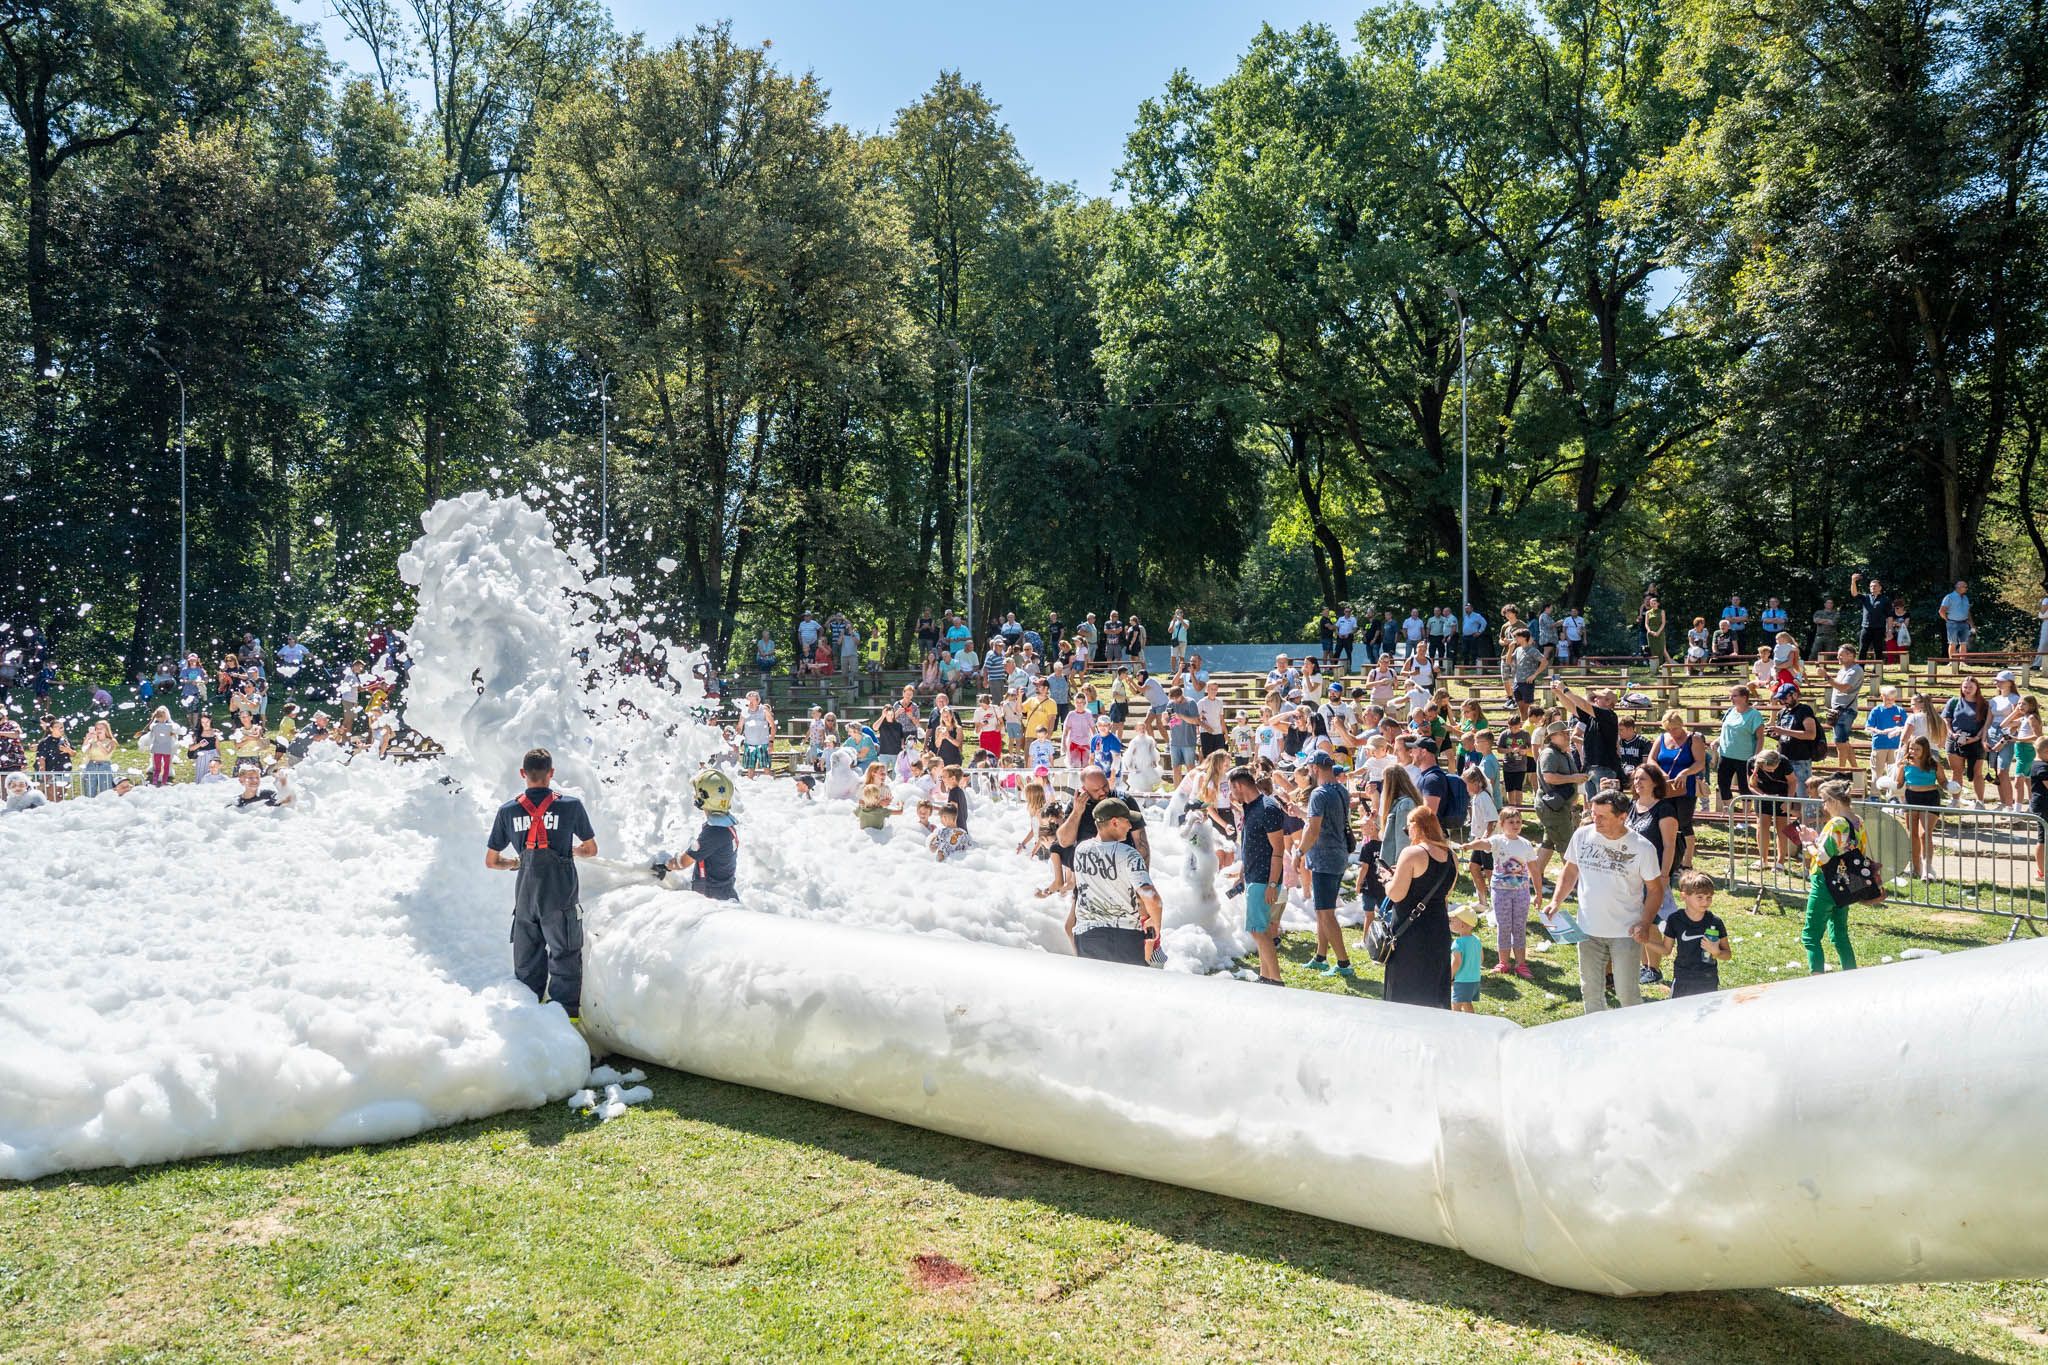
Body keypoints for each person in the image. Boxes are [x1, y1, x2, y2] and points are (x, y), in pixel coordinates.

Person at [485, 748, 598, 1026]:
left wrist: (517, 862)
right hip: (560, 896)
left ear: (523, 774)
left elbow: (492, 861)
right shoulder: (571, 806)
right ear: (552, 773)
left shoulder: (508, 810)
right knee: (565, 957)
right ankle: (566, 1026)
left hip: (526, 898)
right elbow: (590, 849)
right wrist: (571, 850)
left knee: (527, 964)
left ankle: (530, 1026)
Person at [1548, 791, 1663, 1013]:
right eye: (1593, 814)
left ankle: (1637, 1032)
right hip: (1587, 930)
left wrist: (1645, 923)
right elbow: (1570, 871)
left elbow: (1655, 890)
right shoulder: (1582, 835)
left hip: (1625, 932)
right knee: (1590, 992)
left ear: (1622, 817)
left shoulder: (1642, 847)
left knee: (1627, 994)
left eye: (1602, 816)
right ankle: (1596, 1033)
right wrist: (1556, 901)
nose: (1596, 820)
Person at [1066, 797, 1163, 966]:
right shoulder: (1129, 854)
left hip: (1086, 936)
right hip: (1124, 937)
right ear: (1115, 822)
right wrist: (1155, 924)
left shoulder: (1080, 850)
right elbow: (1151, 897)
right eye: (1127, 821)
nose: (1130, 826)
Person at [1380, 806, 1456, 1008]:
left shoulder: (1412, 853)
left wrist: (1387, 879)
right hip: (1439, 929)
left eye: (1407, 828)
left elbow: (1396, 894)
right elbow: (1445, 892)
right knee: (1433, 991)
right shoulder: (1451, 856)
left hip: (1410, 933)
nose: (1408, 833)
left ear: (1416, 826)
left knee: (1404, 993)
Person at [1798, 781, 1870, 973]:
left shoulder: (1836, 823)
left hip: (1825, 883)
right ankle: (1850, 974)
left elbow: (1823, 857)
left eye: (1824, 801)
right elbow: (1844, 849)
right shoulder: (1857, 821)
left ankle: (1817, 977)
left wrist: (1807, 843)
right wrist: (1817, 839)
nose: (1823, 806)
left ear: (1834, 801)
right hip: (1844, 883)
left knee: (1811, 936)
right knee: (1840, 934)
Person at [1296, 751, 1354, 978]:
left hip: (1324, 859)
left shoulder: (1318, 794)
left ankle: (1343, 963)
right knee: (1323, 909)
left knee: (1326, 912)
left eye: (1309, 768)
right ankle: (1320, 957)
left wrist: (1299, 852)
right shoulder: (1341, 790)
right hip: (1338, 854)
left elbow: (1313, 829)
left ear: (1315, 768)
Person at [1469, 805, 1537, 978]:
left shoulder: (1526, 844)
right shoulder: (1497, 841)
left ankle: (1521, 964)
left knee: (1519, 926)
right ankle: (1503, 962)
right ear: (1502, 824)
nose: (1515, 825)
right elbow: (1484, 843)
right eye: (1511, 822)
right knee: (1504, 926)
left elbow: (1534, 870)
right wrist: (1470, 845)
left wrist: (1539, 893)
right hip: (1500, 892)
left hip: (1521, 893)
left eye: (1518, 822)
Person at [1532, 720, 1586, 893]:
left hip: (1558, 806)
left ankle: (1534, 878)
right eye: (1564, 733)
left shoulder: (1564, 753)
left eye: (1567, 732)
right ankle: (1574, 885)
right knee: (1566, 845)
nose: (1567, 735)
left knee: (1548, 843)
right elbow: (1549, 777)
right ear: (1553, 737)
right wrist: (1573, 779)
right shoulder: (1549, 753)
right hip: (1552, 807)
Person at [1663, 871, 1732, 998]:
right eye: (1700, 897)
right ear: (1684, 896)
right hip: (1682, 979)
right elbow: (1666, 950)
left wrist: (1717, 952)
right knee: (1680, 1011)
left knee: (1707, 1011)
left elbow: (1728, 954)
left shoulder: (1715, 922)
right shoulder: (1675, 919)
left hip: (1708, 980)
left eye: (1709, 897)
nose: (1705, 902)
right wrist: (1645, 941)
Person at [1553, 679, 1621, 789]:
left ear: (1608, 702)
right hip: (1590, 768)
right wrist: (1559, 694)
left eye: (1599, 697)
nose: (1595, 699)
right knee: (1592, 800)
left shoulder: (1609, 715)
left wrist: (1565, 690)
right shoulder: (1593, 716)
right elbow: (1573, 708)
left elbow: (1584, 705)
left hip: (1604, 768)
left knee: (1605, 799)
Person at [1893, 736, 1943, 882]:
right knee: (1913, 833)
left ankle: (1928, 869)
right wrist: (1889, 784)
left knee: (1924, 833)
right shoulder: (1904, 764)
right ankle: (1916, 868)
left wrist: (1951, 787)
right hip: (1911, 797)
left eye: (1917, 749)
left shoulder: (1934, 764)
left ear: (1925, 750)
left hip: (1930, 798)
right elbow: (1898, 783)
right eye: (1911, 748)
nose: (1913, 751)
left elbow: (1943, 781)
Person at [1767, 682, 1821, 800]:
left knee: (1803, 795)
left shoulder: (1804, 710)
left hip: (1800, 760)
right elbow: (1785, 735)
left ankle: (1805, 813)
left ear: (1795, 695)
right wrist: (1776, 734)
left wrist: (1783, 731)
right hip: (1783, 760)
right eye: (1780, 699)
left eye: (1785, 698)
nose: (1782, 702)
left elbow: (1811, 734)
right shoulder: (1782, 712)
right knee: (1786, 794)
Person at [1943, 675, 1991, 805]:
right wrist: (1952, 733)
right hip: (1955, 740)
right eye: (1965, 687)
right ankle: (1955, 800)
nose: (1967, 690)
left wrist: (1976, 738)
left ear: (1977, 688)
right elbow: (1947, 720)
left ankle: (1980, 802)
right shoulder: (1954, 702)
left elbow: (1986, 724)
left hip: (1976, 742)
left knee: (1977, 773)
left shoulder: (1984, 704)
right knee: (1957, 771)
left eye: (1970, 687)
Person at [1714, 685, 1763, 811]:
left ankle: (1745, 816)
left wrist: (1756, 758)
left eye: (1734, 696)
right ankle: (1731, 812)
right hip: (1725, 755)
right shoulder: (1730, 711)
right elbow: (1726, 732)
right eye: (1731, 696)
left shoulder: (1755, 715)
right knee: (1723, 785)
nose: (1731, 698)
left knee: (1745, 788)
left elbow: (1760, 738)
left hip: (1745, 758)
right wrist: (1717, 741)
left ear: (1744, 697)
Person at [135, 706, 182, 787]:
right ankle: (163, 781)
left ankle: (155, 781)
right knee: (165, 766)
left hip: (158, 749)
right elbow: (175, 732)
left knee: (158, 767)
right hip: (165, 749)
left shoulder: (155, 726)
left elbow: (150, 729)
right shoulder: (169, 726)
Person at [1849, 571, 1891, 661]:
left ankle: (1877, 668)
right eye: (1871, 586)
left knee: (1878, 650)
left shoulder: (1885, 599)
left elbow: (1889, 616)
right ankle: (1860, 668)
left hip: (1879, 628)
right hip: (1866, 628)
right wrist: (1853, 581)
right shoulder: (1866, 597)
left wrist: (1889, 630)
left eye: (1875, 586)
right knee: (1862, 649)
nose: (1873, 587)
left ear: (1880, 588)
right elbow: (1854, 594)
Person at [1449, 908, 1484, 1012]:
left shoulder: (1458, 943)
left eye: (1453, 921)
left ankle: (1454, 1021)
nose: (1450, 923)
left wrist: (1450, 975)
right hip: (1475, 980)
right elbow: (1481, 959)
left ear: (1462, 925)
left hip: (1462, 981)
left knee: (1455, 1005)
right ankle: (1472, 1020)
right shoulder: (1477, 940)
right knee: (1466, 1002)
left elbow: (1456, 962)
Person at [737, 691, 775, 777]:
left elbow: (773, 726)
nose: (750, 703)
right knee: (750, 769)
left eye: (752, 701)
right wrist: (737, 741)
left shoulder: (764, 710)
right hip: (749, 744)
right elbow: (739, 727)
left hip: (763, 744)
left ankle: (770, 783)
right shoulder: (744, 712)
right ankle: (750, 783)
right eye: (749, 701)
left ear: (758, 701)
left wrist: (771, 742)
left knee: (766, 768)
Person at [1938, 580, 1973, 663]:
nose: (1966, 589)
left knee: (1963, 643)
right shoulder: (1949, 597)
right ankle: (1952, 662)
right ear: (1958, 587)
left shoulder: (1965, 598)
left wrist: (1972, 624)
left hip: (1964, 623)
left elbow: (1968, 612)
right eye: (1965, 587)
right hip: (1952, 623)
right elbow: (1941, 611)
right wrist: (1947, 620)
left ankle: (1962, 662)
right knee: (1952, 643)